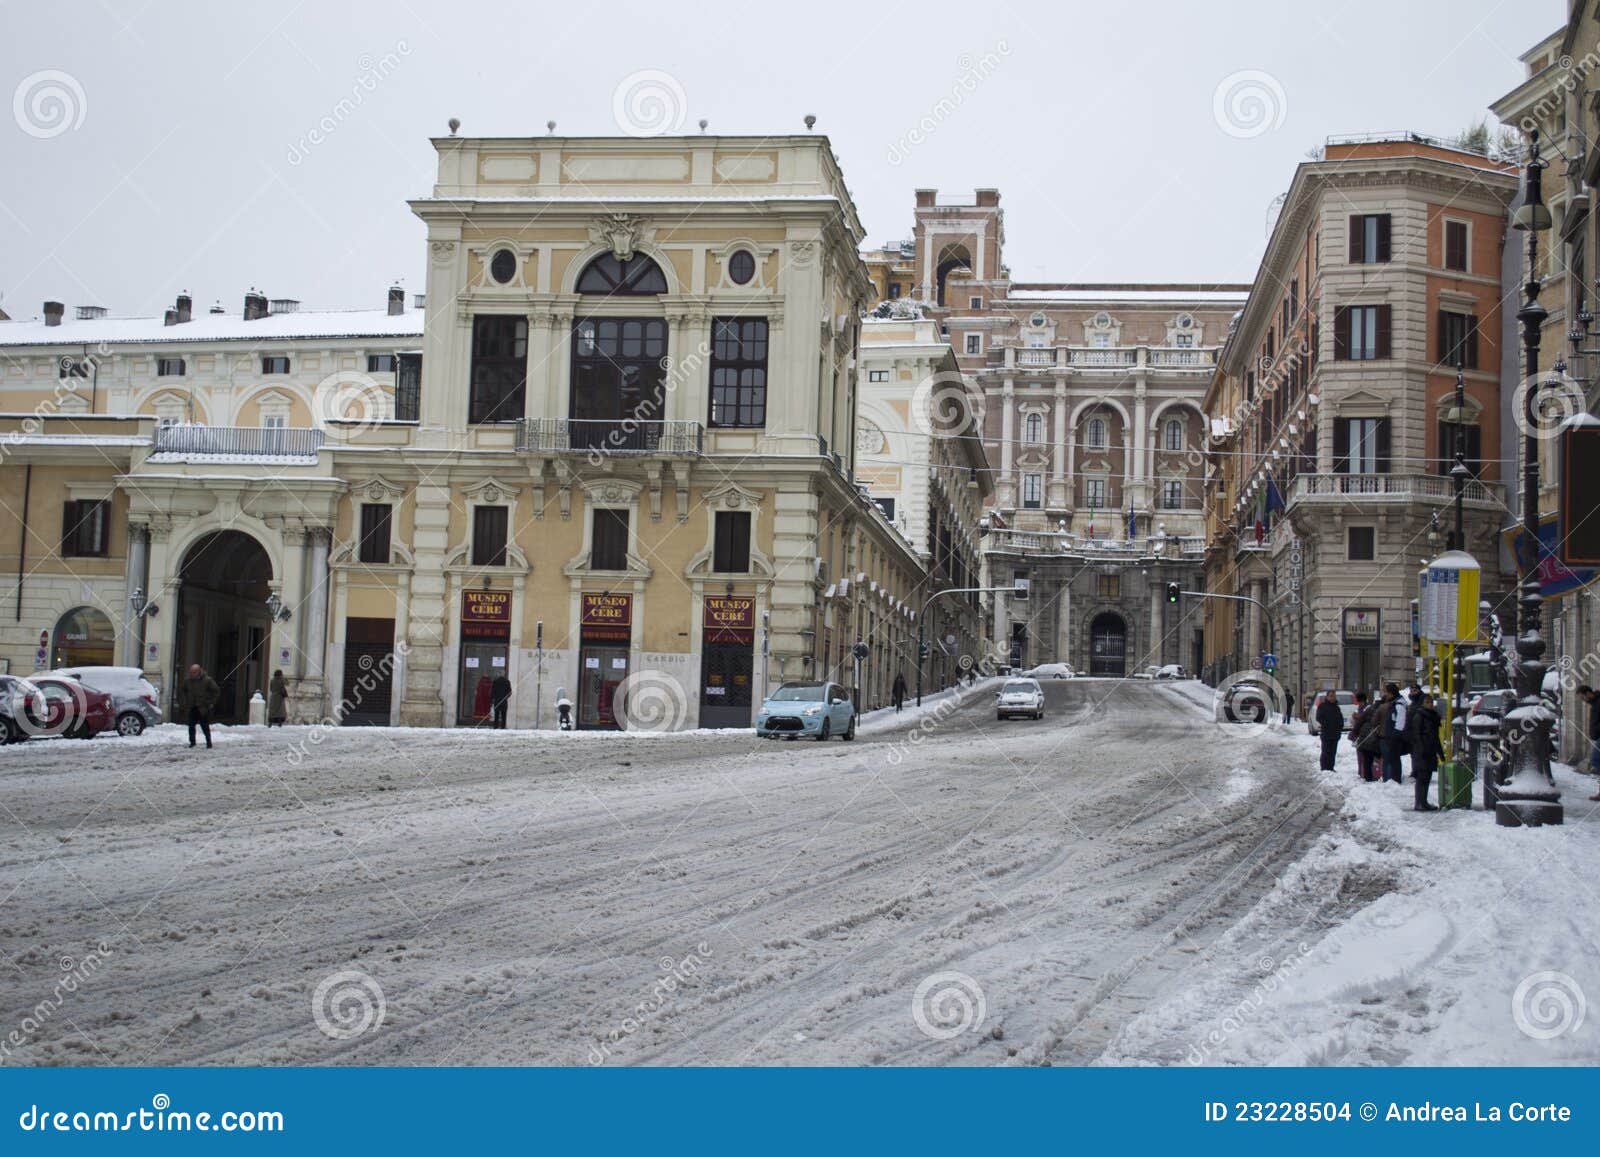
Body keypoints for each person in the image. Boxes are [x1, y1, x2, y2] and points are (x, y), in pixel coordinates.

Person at [1407, 691, 1445, 811]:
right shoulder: (1419, 716)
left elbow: (1435, 737)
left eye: (1431, 702)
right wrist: (1421, 748)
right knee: (1422, 778)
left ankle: (1424, 802)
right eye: (1427, 702)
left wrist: (1440, 753)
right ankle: (1419, 803)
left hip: (1430, 751)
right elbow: (1416, 734)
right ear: (1422, 703)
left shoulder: (1433, 716)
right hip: (1422, 752)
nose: (1430, 704)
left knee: (1427, 777)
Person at [179, 663, 220, 749]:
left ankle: (209, 743)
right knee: (191, 725)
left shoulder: (207, 680)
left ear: (199, 671)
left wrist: (210, 702)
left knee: (204, 726)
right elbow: (182, 691)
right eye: (191, 672)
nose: (191, 674)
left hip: (203, 707)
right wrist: (185, 701)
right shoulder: (187, 681)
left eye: (194, 672)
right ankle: (192, 742)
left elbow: (216, 691)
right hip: (192, 706)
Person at [1378, 682, 1406, 784]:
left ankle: (1394, 780)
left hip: (1394, 737)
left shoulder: (1399, 705)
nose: (1385, 695)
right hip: (1390, 736)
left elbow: (1400, 723)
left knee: (1393, 760)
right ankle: (1391, 780)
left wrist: (1394, 736)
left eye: (1386, 692)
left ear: (1391, 693)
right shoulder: (1393, 703)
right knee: (1391, 759)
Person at [1350, 691, 1381, 781]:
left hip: (1366, 736)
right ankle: (1361, 772)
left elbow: (1361, 720)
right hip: (1363, 736)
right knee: (1362, 756)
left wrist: (1357, 718)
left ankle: (1367, 774)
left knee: (1366, 757)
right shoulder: (1360, 709)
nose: (1359, 703)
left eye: (1359, 701)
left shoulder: (1368, 709)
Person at [1578, 685, 1600, 800]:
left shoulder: (1598, 702)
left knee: (1595, 760)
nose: (1583, 700)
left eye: (1583, 697)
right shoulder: (1595, 703)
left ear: (1588, 693)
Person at [1315, 690, 1344, 771]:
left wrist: (1340, 726)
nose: (1332, 698)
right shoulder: (1322, 706)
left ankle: (1331, 767)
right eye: (1331, 696)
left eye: (1334, 696)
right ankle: (1324, 768)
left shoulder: (1336, 707)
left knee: (1333, 752)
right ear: (1327, 697)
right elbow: (1318, 717)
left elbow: (1340, 718)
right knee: (1325, 751)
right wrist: (1327, 724)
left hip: (1335, 734)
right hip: (1326, 733)